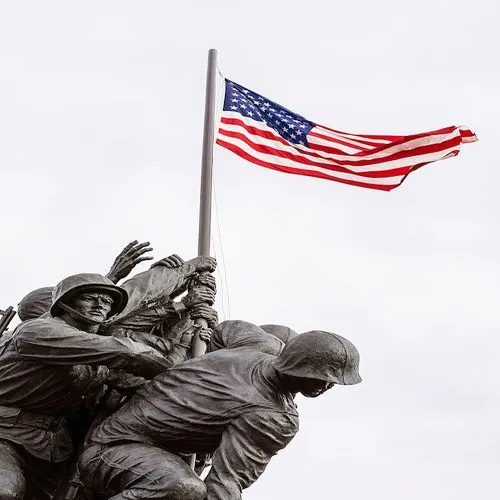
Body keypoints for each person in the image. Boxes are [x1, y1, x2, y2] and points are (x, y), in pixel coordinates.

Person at [78, 321, 362, 500]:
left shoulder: (261, 343)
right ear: (298, 366)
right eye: (321, 377)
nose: (327, 386)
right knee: (183, 488)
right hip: (110, 451)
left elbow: (224, 330)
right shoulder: (273, 417)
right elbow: (224, 484)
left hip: (128, 438)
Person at [0, 273, 174, 500]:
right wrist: (172, 370)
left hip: (50, 447)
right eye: (90, 298)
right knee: (6, 491)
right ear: (66, 303)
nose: (100, 305)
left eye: (107, 302)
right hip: (5, 433)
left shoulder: (97, 357)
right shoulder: (37, 331)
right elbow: (129, 353)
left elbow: (137, 384)